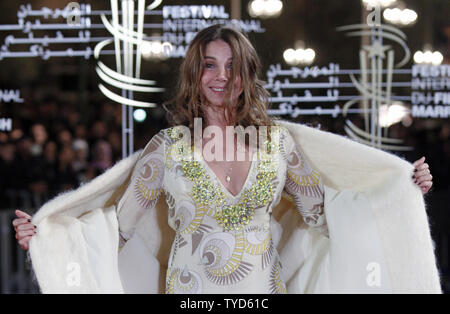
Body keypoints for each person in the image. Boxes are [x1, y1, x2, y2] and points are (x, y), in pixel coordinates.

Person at [13, 24, 437, 293]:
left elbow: (325, 215)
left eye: (233, 66)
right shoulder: (167, 148)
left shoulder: (279, 144)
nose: (221, 77)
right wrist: (50, 240)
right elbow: (118, 229)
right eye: (210, 65)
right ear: (195, 74)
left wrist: (400, 191)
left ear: (247, 75)